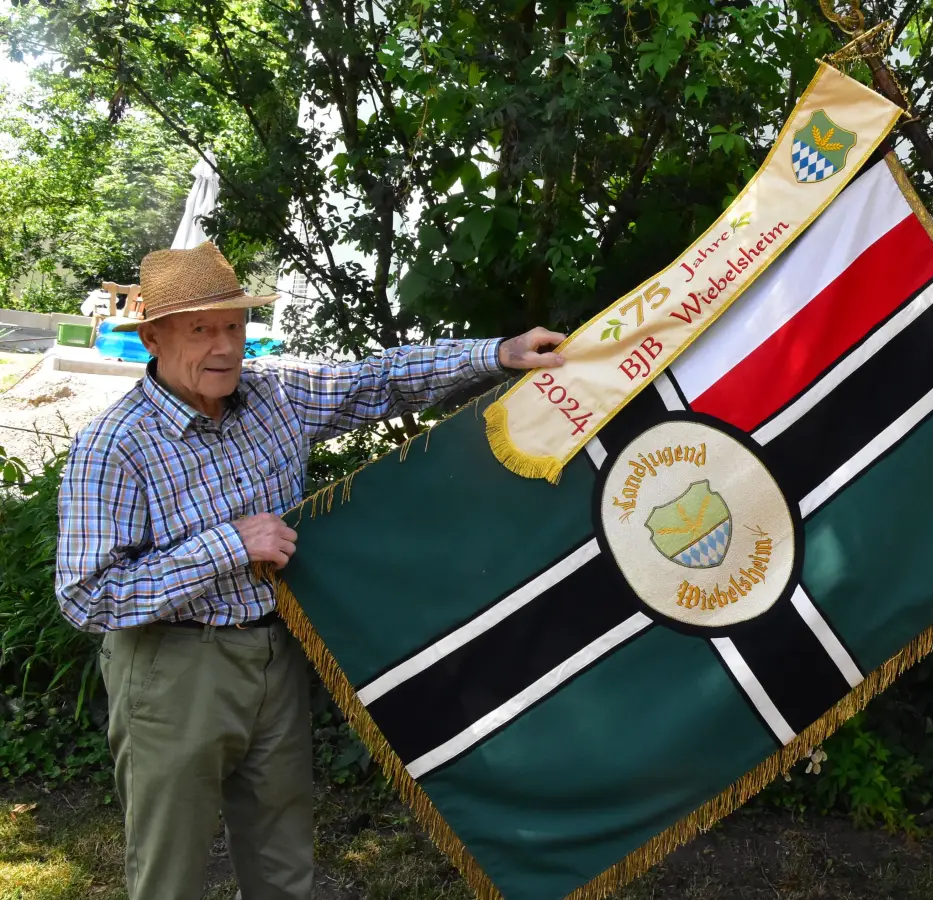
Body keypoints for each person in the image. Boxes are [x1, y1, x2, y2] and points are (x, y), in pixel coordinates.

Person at [55, 242, 568, 900]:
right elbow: (87, 598)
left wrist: (498, 354)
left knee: (283, 859)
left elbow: (378, 380)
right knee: (169, 873)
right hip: (170, 670)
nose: (225, 348)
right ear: (153, 337)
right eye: (201, 329)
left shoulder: (274, 397)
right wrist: (227, 546)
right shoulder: (114, 445)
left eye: (234, 327)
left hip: (275, 650)